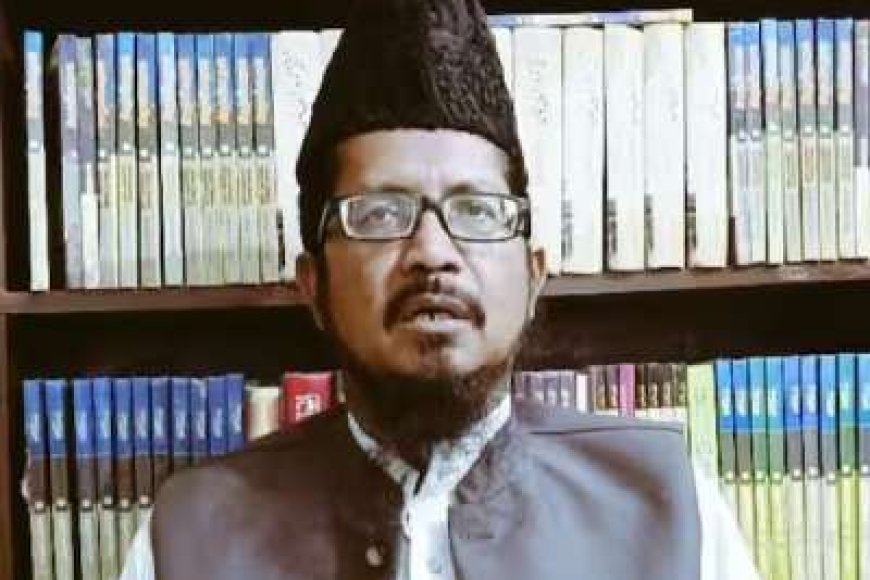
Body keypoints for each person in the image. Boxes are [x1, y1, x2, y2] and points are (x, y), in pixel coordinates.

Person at [121, 0, 761, 578]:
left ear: (533, 276)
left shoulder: (667, 507)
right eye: (379, 213)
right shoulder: (192, 535)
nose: (432, 253)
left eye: (477, 211)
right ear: (313, 286)